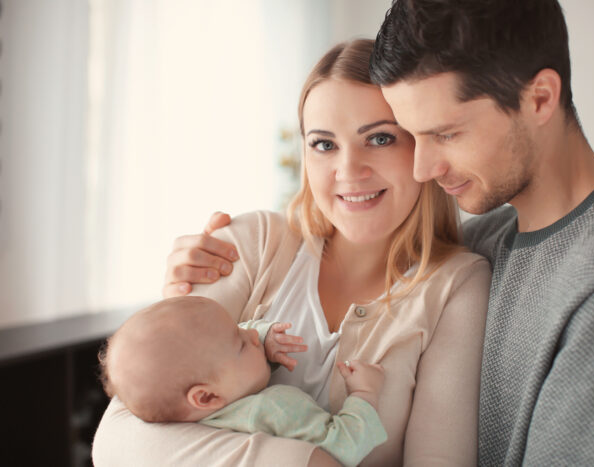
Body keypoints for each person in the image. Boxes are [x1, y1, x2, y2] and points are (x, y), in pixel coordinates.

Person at [92, 39, 491, 467]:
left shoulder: (457, 286)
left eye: (379, 138)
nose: (349, 171)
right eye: (324, 144)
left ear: (422, 144)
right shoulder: (253, 242)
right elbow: (120, 442)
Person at [367, 0, 594, 465]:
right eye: (411, 135)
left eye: (445, 134)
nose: (422, 169)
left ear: (540, 98)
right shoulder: (481, 243)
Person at [99, 295, 388, 467]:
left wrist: (263, 341)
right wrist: (364, 393)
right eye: (241, 343)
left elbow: (223, 355)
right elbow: (346, 445)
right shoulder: (276, 410)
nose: (253, 334)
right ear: (206, 397)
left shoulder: (181, 415)